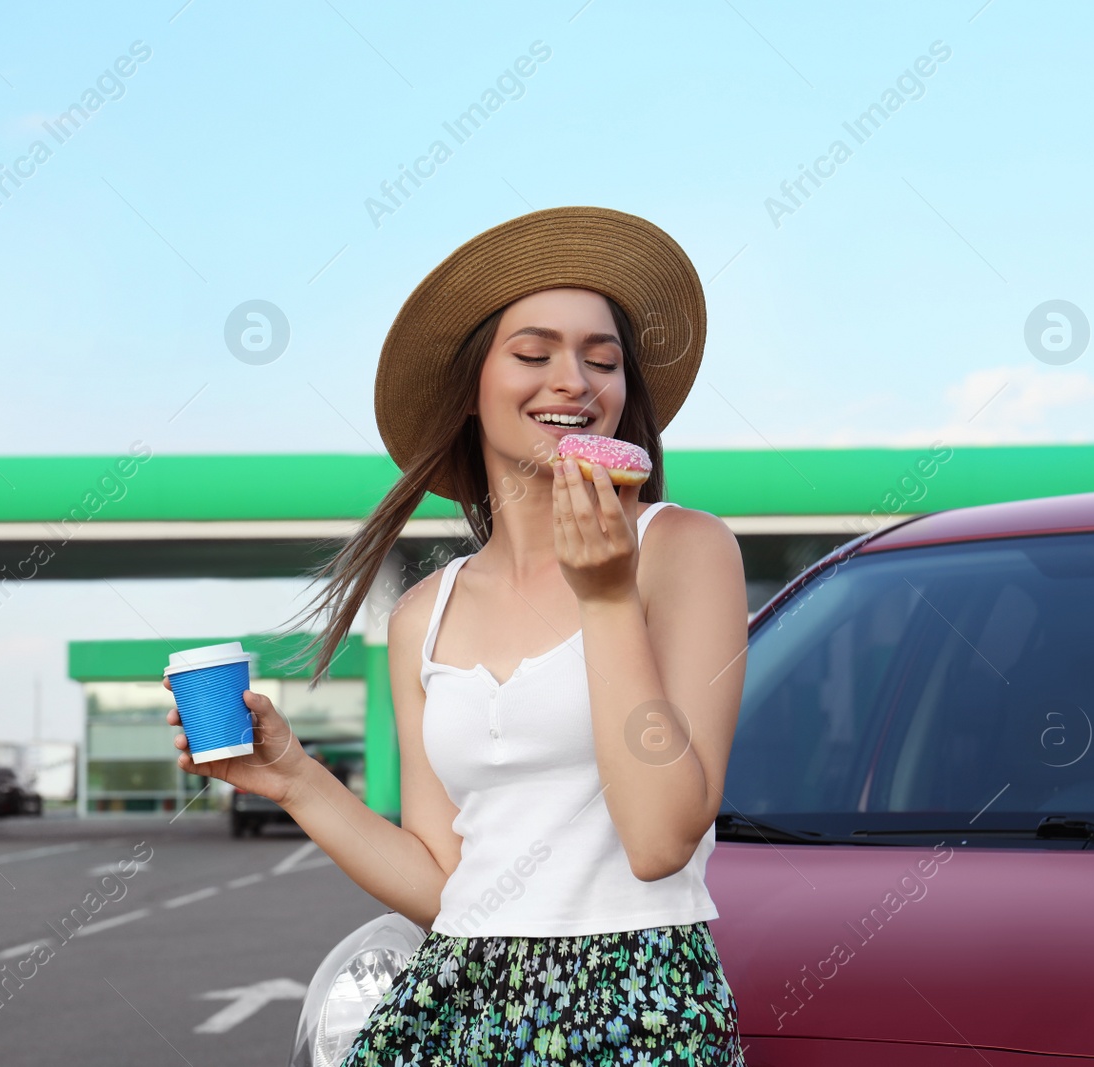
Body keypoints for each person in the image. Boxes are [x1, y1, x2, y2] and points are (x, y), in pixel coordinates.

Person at [167, 206, 749, 1064]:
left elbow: (662, 841)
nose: (575, 383)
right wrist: (294, 780)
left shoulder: (684, 550)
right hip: (456, 996)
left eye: (603, 359)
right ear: (472, 386)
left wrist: (607, 598)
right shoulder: (422, 616)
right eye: (533, 353)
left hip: (641, 994)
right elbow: (447, 888)